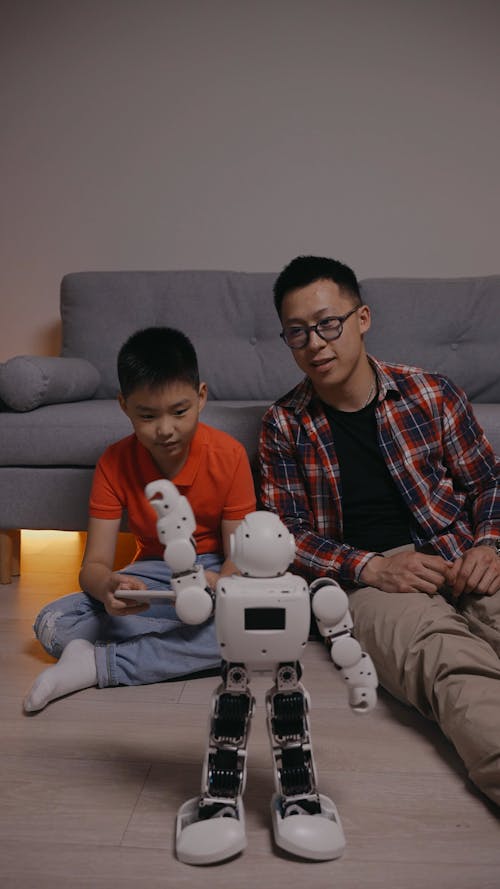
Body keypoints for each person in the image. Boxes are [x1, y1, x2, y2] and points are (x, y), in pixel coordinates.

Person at [259, 254, 500, 806]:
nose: (315, 344)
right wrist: (373, 567)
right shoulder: (283, 425)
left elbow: (488, 483)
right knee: (450, 668)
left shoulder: (431, 393)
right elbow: (286, 535)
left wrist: (489, 543)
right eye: (297, 334)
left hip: (460, 552)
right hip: (367, 584)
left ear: (361, 318)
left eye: (327, 324)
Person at [24, 326, 256, 713]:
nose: (165, 430)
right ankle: (176, 644)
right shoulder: (114, 463)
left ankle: (99, 664)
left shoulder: (229, 455)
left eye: (179, 412)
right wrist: (107, 587)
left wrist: (220, 584)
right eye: (147, 416)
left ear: (201, 398)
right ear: (124, 406)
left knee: (249, 625)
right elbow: (93, 567)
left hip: (215, 575)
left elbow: (239, 557)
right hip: (154, 577)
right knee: (51, 621)